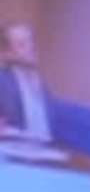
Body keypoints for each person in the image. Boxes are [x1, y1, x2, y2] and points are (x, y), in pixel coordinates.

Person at [0, 22, 54, 155]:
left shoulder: (40, 83)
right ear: (7, 53)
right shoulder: (3, 81)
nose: (31, 48)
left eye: (31, 42)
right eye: (22, 44)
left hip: (44, 153)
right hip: (12, 154)